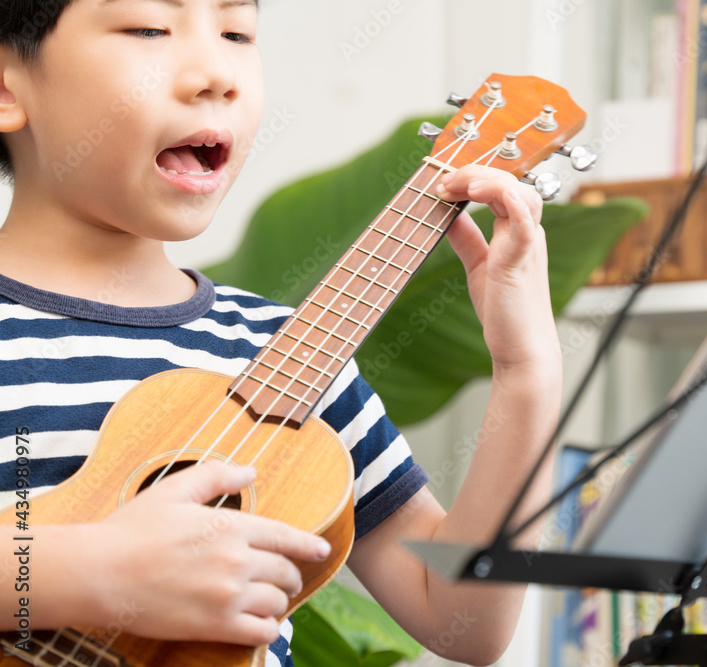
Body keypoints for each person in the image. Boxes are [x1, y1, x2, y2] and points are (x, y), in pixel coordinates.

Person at [0, 0, 561, 664]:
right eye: (149, 27)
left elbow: (463, 620)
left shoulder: (293, 352)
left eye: (238, 33)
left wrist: (528, 374)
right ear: (8, 88)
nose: (217, 72)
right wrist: (91, 572)